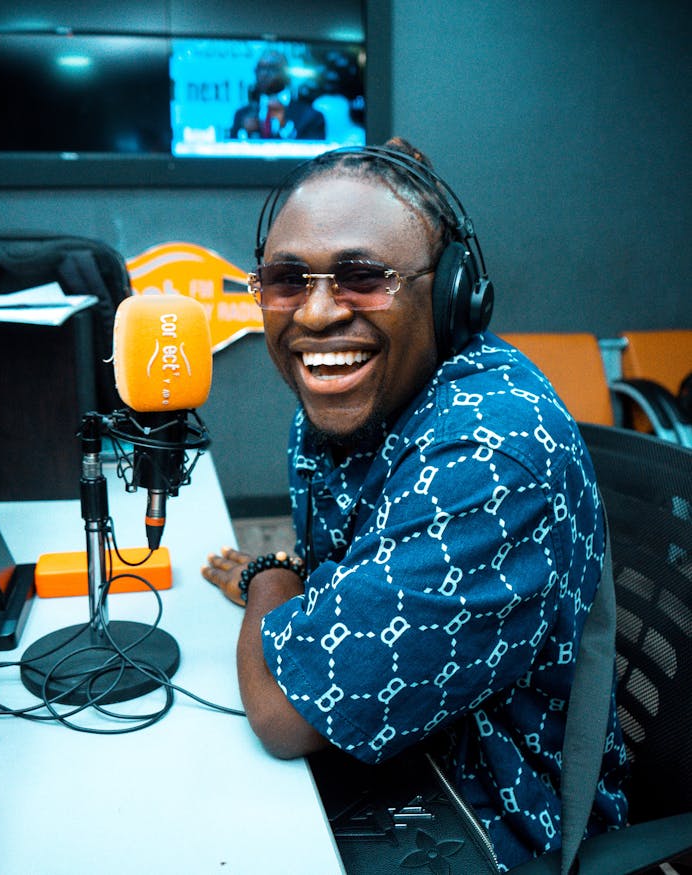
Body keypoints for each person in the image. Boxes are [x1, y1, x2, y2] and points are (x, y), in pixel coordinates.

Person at [201, 138, 628, 870]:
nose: (318, 312)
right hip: (400, 764)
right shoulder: (363, 400)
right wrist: (291, 589)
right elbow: (336, 576)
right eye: (286, 279)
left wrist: (269, 578)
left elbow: (282, 713)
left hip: (493, 824)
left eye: (364, 277)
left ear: (455, 292)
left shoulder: (485, 460)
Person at [230, 50, 326, 141]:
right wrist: (245, 133)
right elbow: (232, 153)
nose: (263, 74)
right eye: (260, 69)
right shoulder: (242, 115)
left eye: (271, 69)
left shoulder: (310, 116)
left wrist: (284, 126)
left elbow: (314, 155)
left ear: (286, 74)